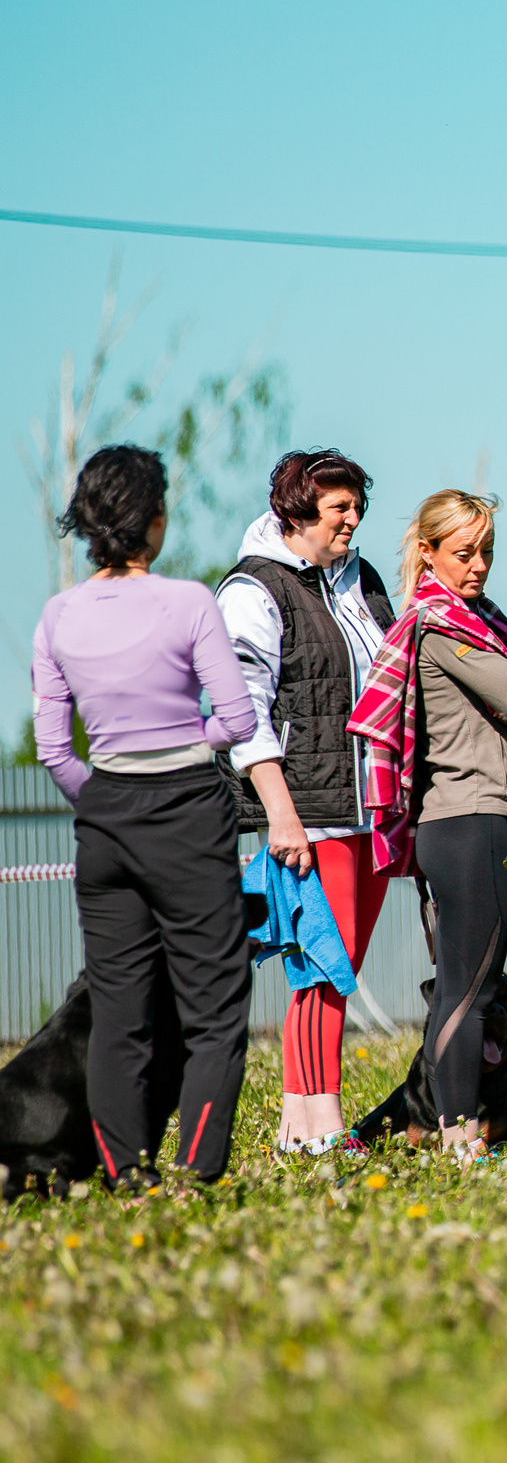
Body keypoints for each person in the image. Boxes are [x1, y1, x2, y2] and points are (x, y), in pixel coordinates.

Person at [32, 446, 260, 1189]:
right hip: (187, 809)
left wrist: (100, 796)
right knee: (214, 1008)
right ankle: (194, 1171)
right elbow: (234, 716)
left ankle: (127, 1171)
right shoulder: (188, 601)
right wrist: (188, 751)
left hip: (104, 819)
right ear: (152, 518)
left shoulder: (58, 614)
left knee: (118, 1012)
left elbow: (53, 749)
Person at [346, 491, 507, 1159]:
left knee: (464, 989)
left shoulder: (460, 624)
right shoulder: (442, 628)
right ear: (428, 552)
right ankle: (461, 1134)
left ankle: (451, 1128)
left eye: (487, 552)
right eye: (463, 553)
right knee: (469, 991)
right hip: (472, 818)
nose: (479, 566)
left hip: (467, 820)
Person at [216, 449, 397, 1157]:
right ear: (297, 511)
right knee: (320, 966)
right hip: (309, 811)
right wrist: (281, 813)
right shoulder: (254, 588)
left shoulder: (362, 580)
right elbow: (241, 711)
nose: (352, 519)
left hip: (369, 806)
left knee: (340, 966)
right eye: (339, 508)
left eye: (357, 506)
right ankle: (317, 1124)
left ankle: (303, 1122)